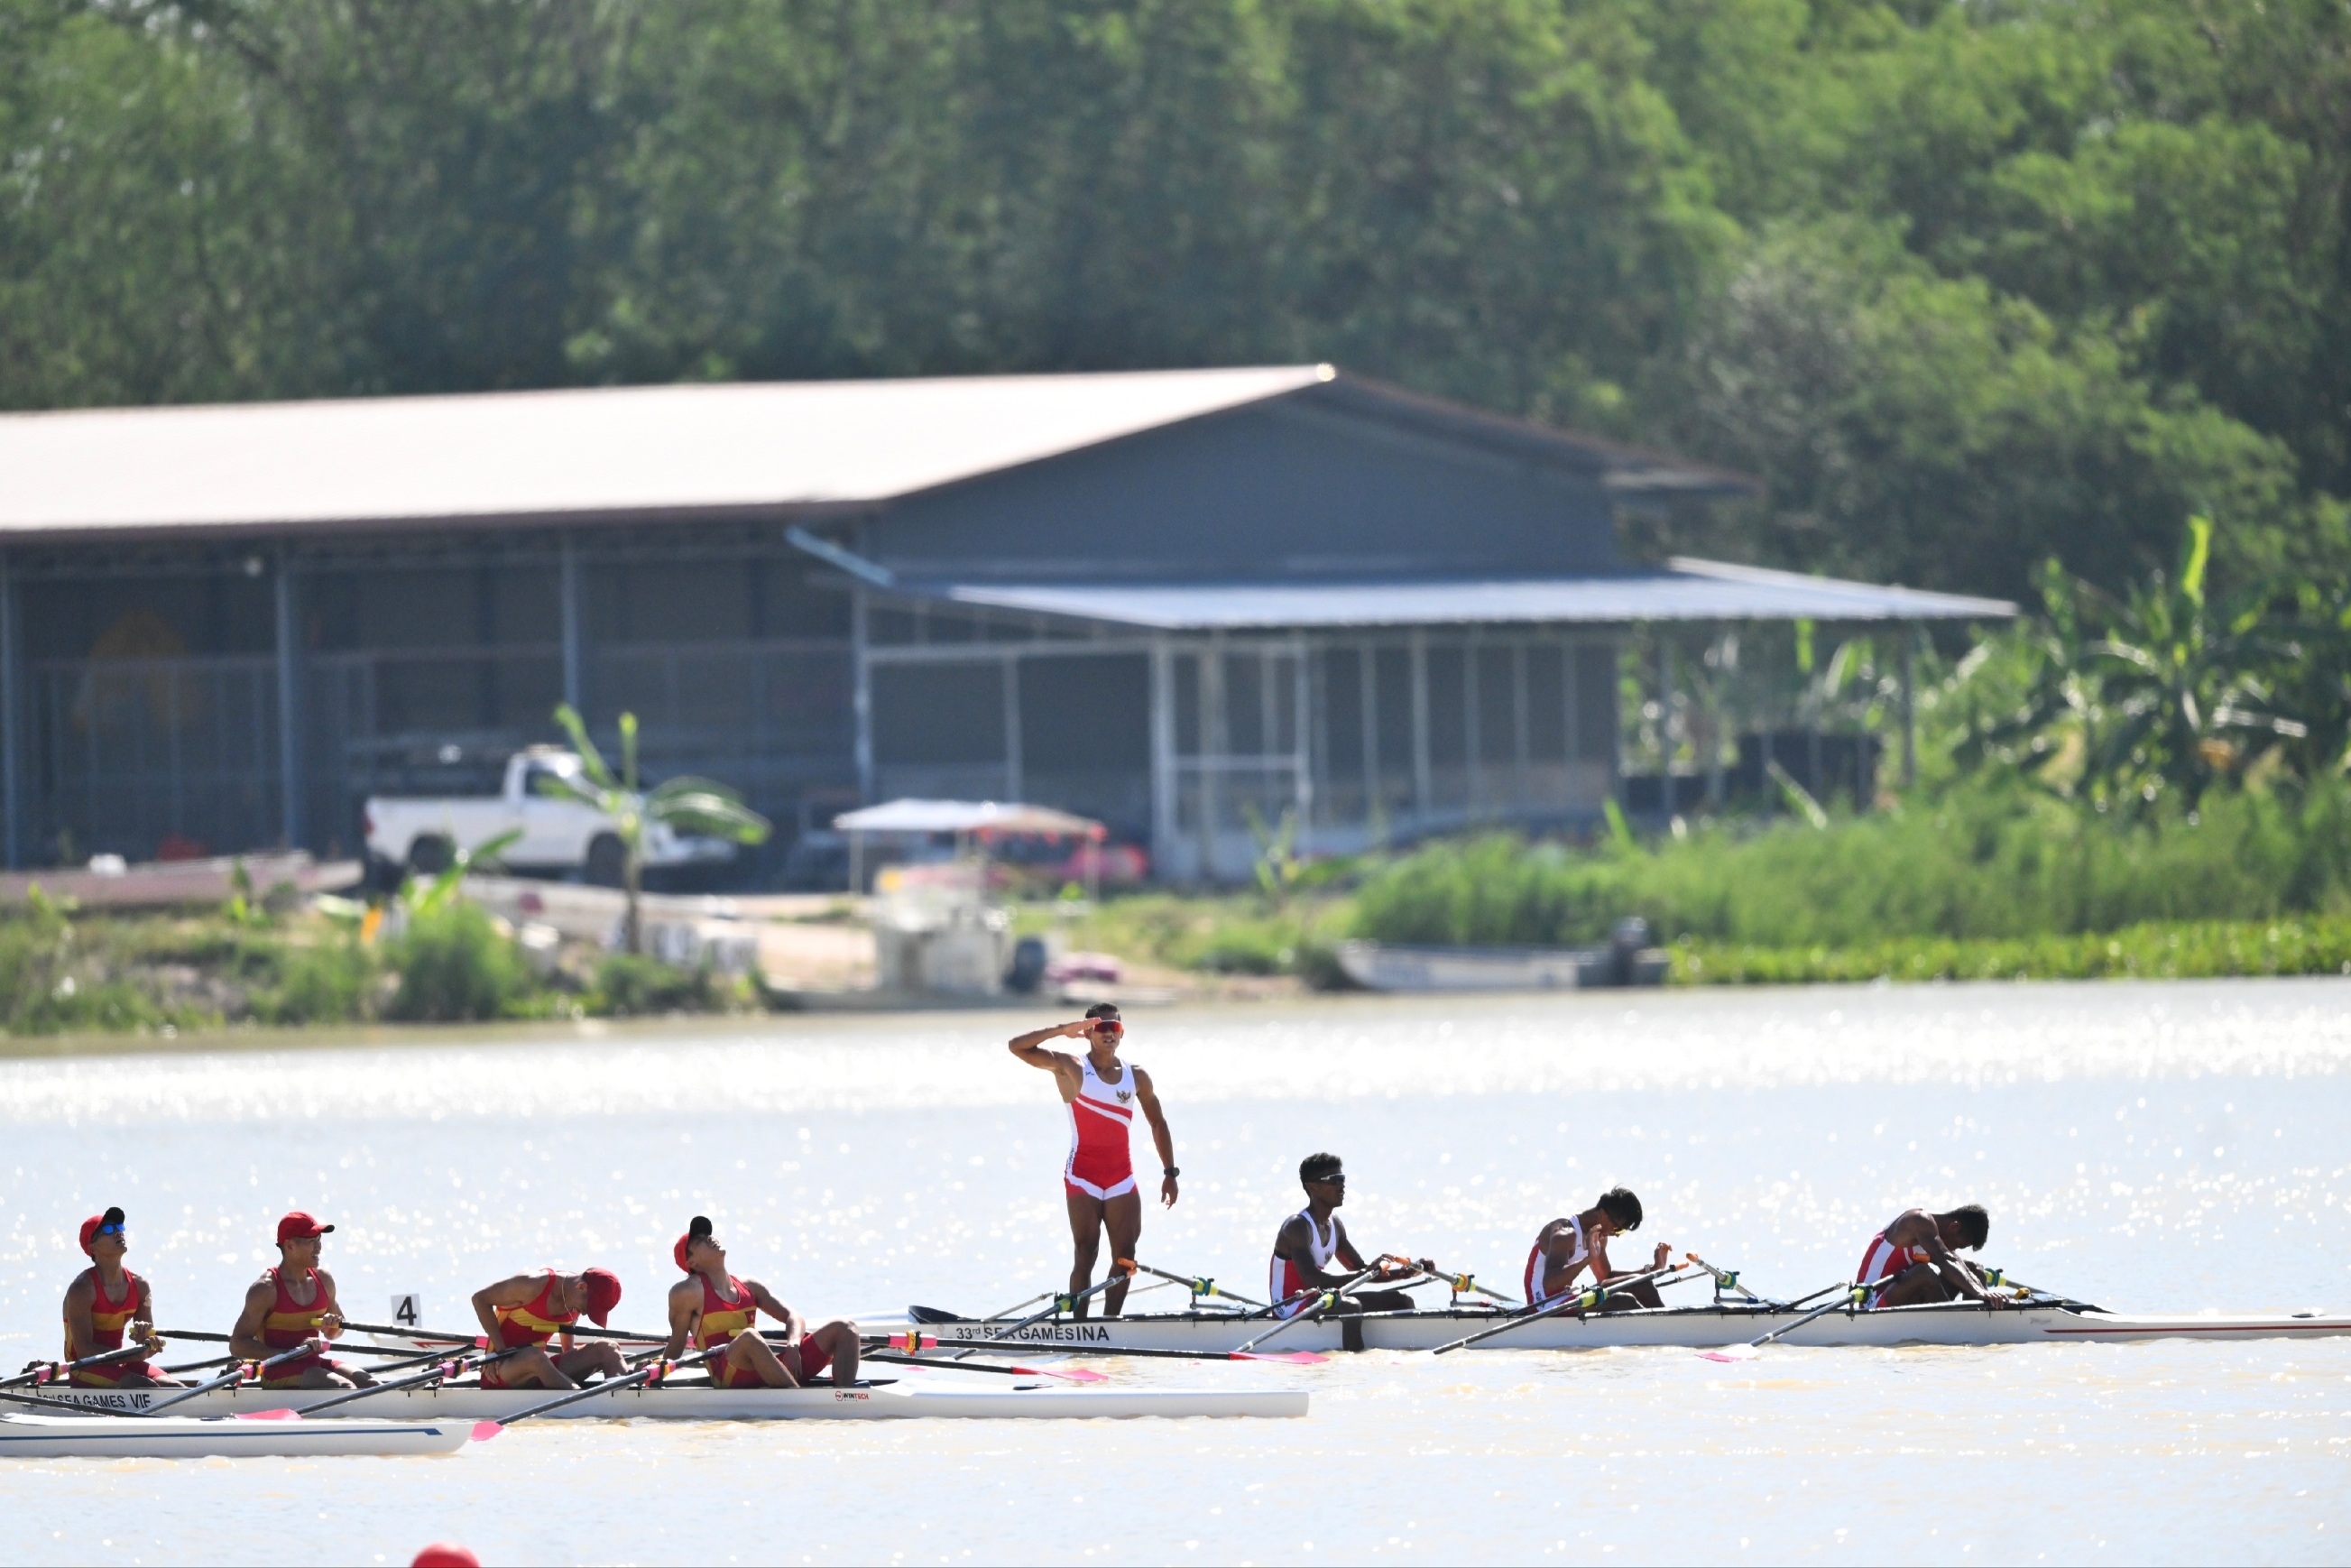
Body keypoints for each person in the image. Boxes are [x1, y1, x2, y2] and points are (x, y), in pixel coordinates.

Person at [1008, 1002, 1178, 1318]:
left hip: (1121, 1176)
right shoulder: (1071, 1066)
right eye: (1101, 1028)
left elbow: (1158, 1123)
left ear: (1122, 1033)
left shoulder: (1136, 1076)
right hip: (1082, 1175)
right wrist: (1061, 1030)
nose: (1109, 1033)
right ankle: (1080, 1327)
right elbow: (1016, 1047)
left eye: (1114, 1028)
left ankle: (1109, 1324)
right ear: (1087, 1033)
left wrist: (1170, 1172)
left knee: (1126, 1257)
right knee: (1086, 1253)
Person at [662, 1215, 859, 1388]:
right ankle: (797, 1398)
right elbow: (678, 1343)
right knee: (749, 1337)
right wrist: (657, 1368)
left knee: (845, 1328)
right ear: (692, 1263)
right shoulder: (687, 1292)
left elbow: (794, 1317)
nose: (709, 1238)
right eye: (699, 1240)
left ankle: (845, 1398)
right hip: (729, 1374)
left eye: (708, 1235)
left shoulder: (750, 1285)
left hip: (766, 1368)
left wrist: (793, 1346)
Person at [229, 1211, 377, 1390]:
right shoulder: (265, 1289)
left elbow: (334, 1334)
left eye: (319, 1240)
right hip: (279, 1370)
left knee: (370, 1384)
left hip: (313, 1362)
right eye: (311, 1241)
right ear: (290, 1245)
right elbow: (237, 1345)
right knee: (344, 1387)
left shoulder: (324, 1280)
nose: (319, 1247)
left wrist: (331, 1325)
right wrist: (287, 1354)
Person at [1267, 1153, 1425, 1318]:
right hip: (1288, 1307)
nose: (1341, 1186)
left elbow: (1359, 1270)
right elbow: (1312, 1280)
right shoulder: (1297, 1227)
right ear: (1312, 1186)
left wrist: (1405, 1273)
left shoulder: (1335, 1225)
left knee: (1402, 1301)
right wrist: (1365, 1272)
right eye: (1334, 1180)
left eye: (1342, 1179)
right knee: (1351, 1306)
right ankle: (1353, 1345)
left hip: (1319, 1300)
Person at [59, 1206, 180, 1388]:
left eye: (119, 1228)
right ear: (92, 1247)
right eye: (108, 1230)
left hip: (121, 1362)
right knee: (144, 1386)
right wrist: (134, 1354)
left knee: (173, 1386)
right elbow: (84, 1352)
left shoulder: (140, 1287)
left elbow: (147, 1348)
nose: (117, 1233)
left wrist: (147, 1344)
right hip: (85, 1367)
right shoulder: (82, 1289)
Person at [469, 1267, 628, 1390]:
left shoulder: (574, 1295)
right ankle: (575, 1394)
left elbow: (567, 1345)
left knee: (609, 1348)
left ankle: (619, 1394)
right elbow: (479, 1299)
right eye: (590, 1307)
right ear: (581, 1287)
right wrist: (499, 1353)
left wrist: (575, 1364)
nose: (586, 1313)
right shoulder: (531, 1284)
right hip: (500, 1372)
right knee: (535, 1356)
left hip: (543, 1370)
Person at [1525, 1187, 1673, 1312]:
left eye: (1621, 1231)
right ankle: (1660, 1333)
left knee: (1643, 1284)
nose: (1616, 1234)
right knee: (1625, 1302)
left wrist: (1653, 1269)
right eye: (1617, 1228)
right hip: (1542, 1302)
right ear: (1602, 1214)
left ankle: (1671, 1325)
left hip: (1566, 1295)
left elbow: (1605, 1277)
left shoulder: (1598, 1236)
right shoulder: (1565, 1234)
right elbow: (1549, 1284)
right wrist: (1587, 1259)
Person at [1858, 1204, 2005, 1307]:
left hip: (1903, 1296)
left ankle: (1982, 1318)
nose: (1954, 1250)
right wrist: (1978, 1291)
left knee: (1973, 1269)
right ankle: (1955, 1325)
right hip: (1874, 1300)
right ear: (1954, 1227)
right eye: (1958, 1245)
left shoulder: (1934, 1237)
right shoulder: (1918, 1220)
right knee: (1923, 1273)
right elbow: (1946, 1259)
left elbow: (1957, 1264)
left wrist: (1984, 1293)